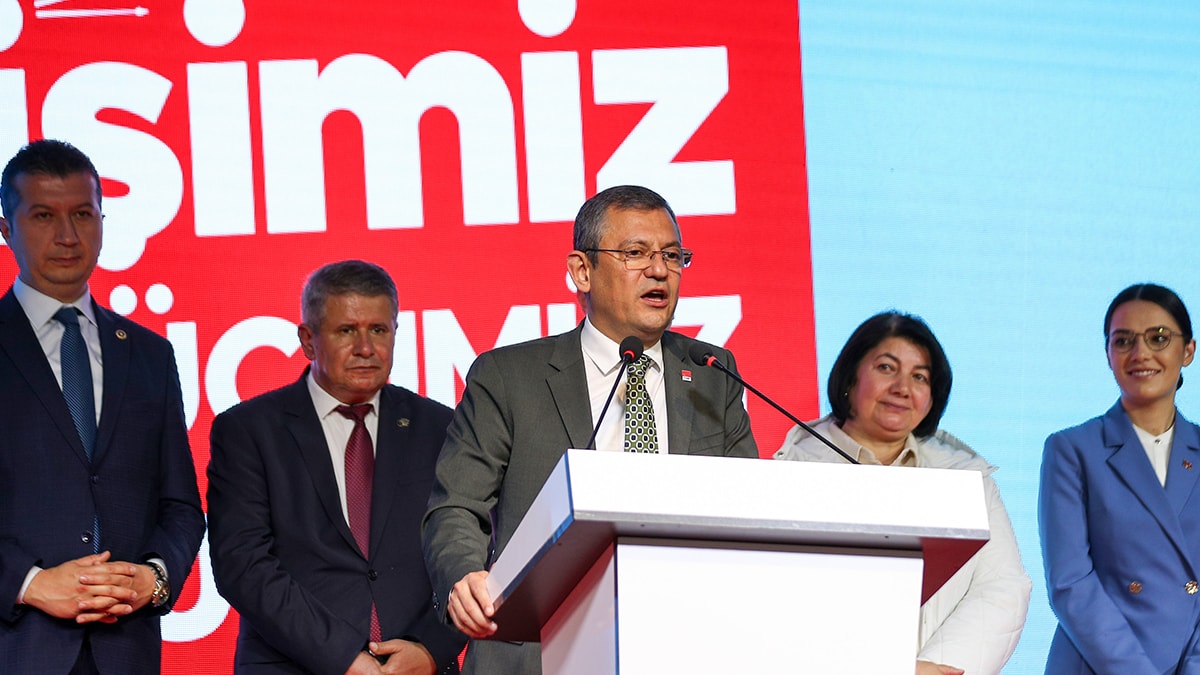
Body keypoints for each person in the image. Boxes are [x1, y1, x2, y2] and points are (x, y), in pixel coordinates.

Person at [422, 184, 759, 673]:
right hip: (540, 646)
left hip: (681, 643)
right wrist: (464, 577)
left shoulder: (712, 373)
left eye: (672, 255)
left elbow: (747, 507)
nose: (659, 270)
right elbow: (456, 506)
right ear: (582, 271)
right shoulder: (508, 377)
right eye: (635, 253)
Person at [0, 139, 205, 673]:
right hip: (17, 649)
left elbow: (181, 507)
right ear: (6, 229)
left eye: (83, 214)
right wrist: (29, 584)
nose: (68, 235)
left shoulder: (149, 355)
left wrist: (154, 578)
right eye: (43, 216)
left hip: (127, 651)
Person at [207, 260, 465, 674]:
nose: (366, 348)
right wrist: (343, 657)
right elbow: (243, 565)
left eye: (378, 330)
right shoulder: (248, 431)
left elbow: (475, 551)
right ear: (308, 341)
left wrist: (431, 649)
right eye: (346, 331)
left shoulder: (440, 426)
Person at [775, 311, 1030, 675]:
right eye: (886, 368)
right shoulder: (792, 471)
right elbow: (783, 597)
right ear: (850, 377)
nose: (902, 388)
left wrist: (935, 667)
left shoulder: (966, 475)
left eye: (919, 377)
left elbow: (1002, 586)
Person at [1040, 283, 1200, 674]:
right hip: (1098, 663)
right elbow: (1070, 584)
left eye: (1158, 338)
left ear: (1188, 351)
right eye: (1124, 341)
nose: (1140, 353)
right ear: (1108, 354)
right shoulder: (1071, 449)